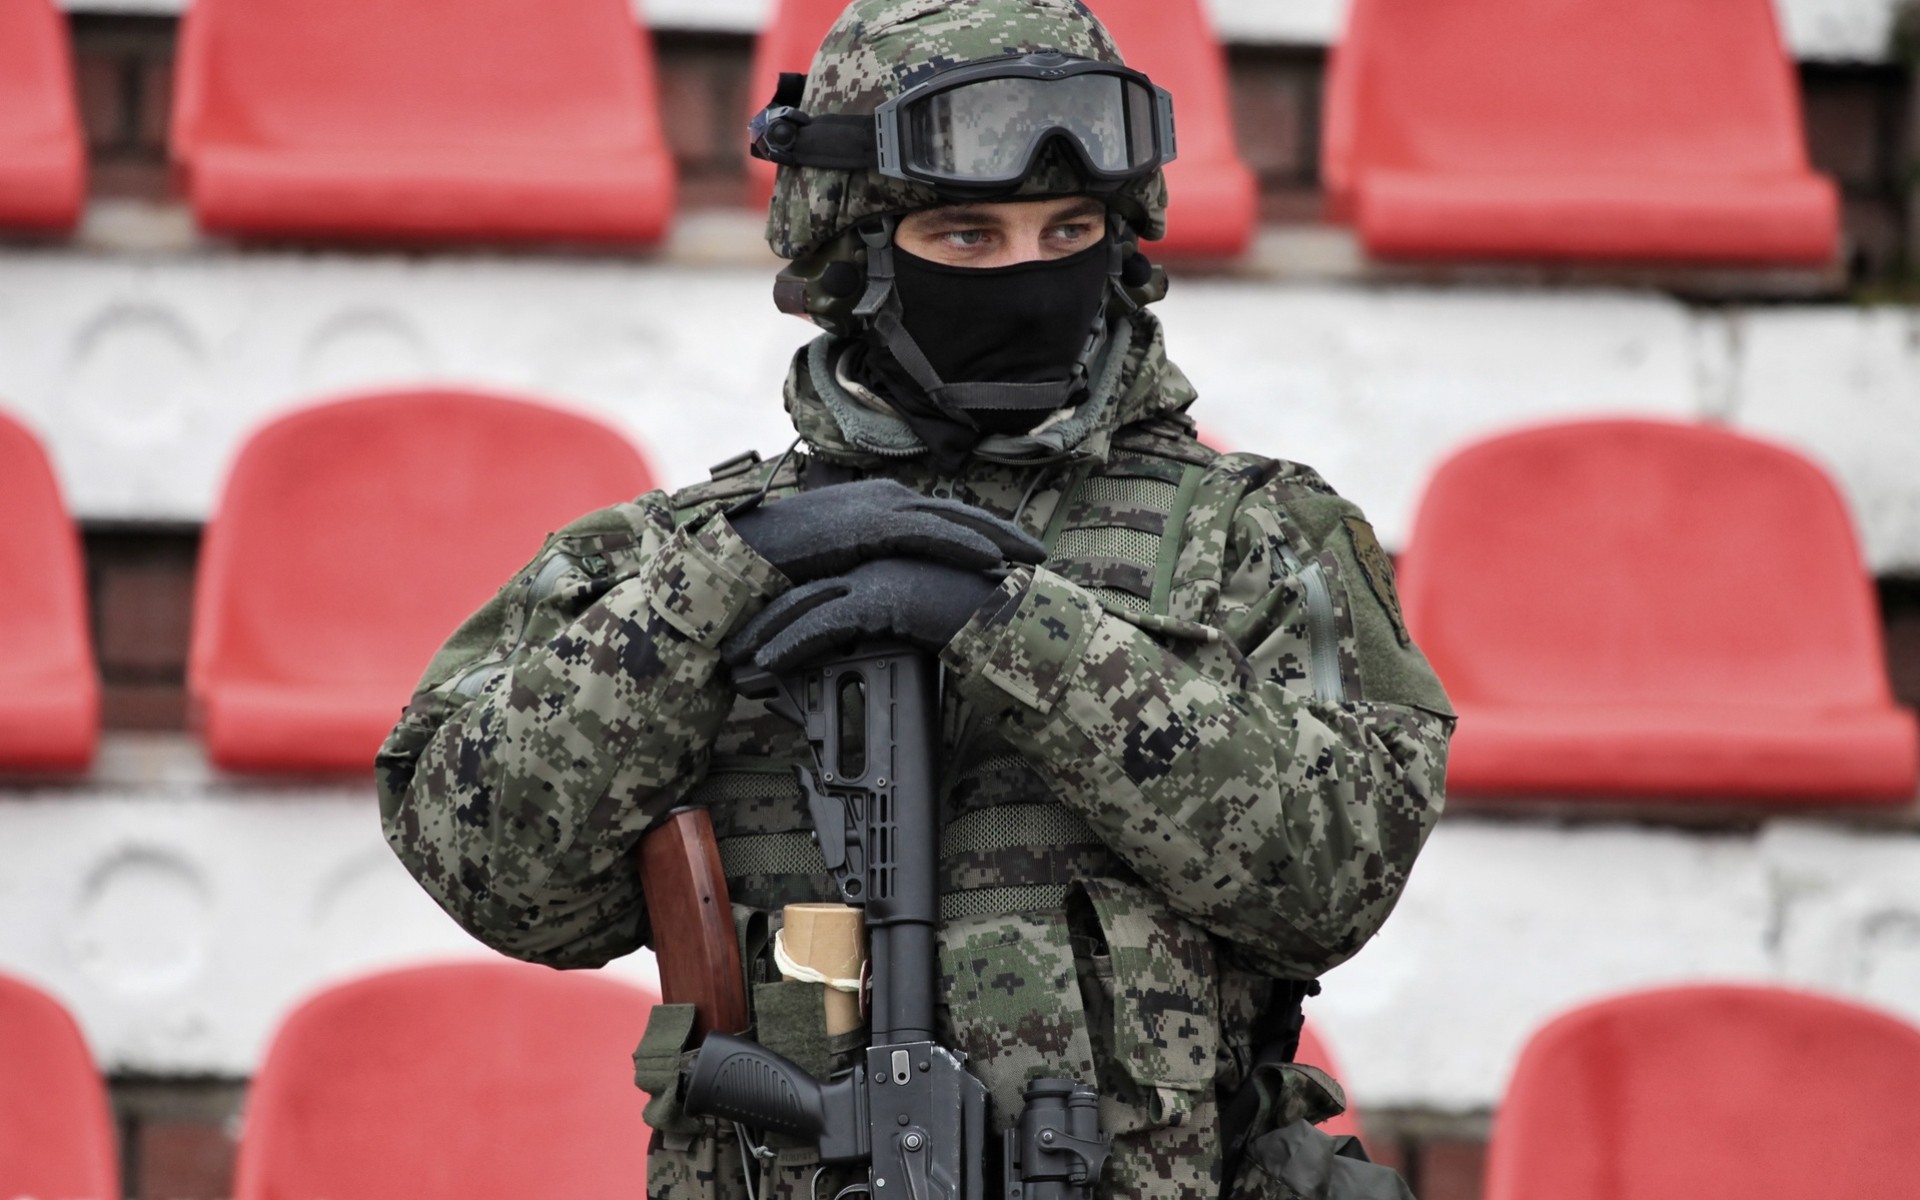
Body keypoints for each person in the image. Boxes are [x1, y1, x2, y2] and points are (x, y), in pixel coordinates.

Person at [378, 1, 1453, 1196]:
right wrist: (716, 587)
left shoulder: (1258, 537)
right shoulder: (674, 558)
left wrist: (1019, 632)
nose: (1031, 276)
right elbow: (496, 876)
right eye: (967, 236)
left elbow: (1333, 883)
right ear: (857, 255)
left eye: (1070, 229)